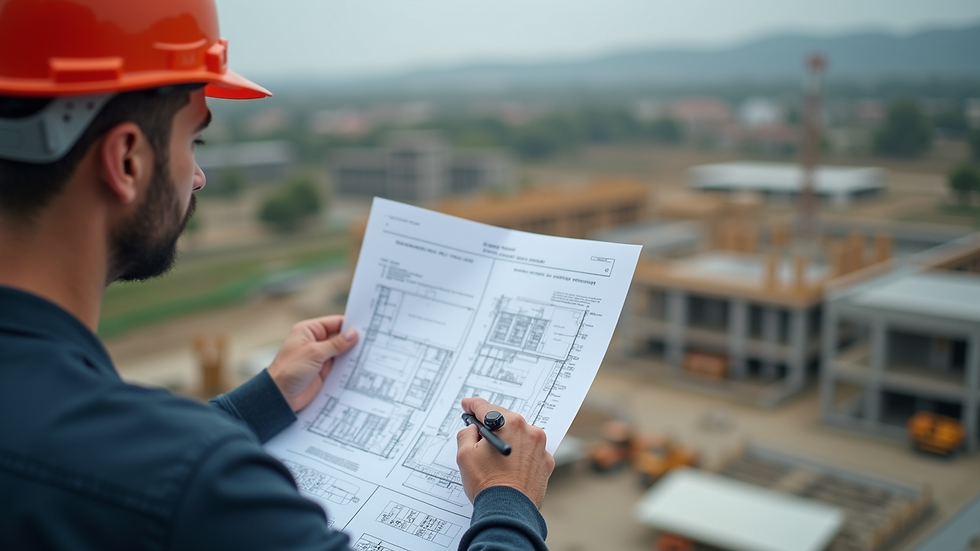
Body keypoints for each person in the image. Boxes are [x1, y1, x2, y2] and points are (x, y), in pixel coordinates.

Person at [0, 1, 555, 549]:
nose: (196, 177)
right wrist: (509, 500)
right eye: (193, 140)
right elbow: (160, 480)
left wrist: (257, 404)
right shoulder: (202, 488)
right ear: (126, 160)